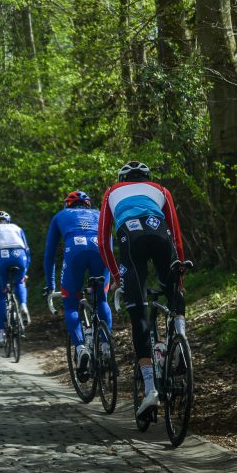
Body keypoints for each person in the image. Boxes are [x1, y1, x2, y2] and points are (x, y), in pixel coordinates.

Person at [98, 161, 187, 417]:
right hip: (160, 235)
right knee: (173, 294)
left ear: (121, 179)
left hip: (131, 239)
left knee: (140, 318)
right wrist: (179, 276)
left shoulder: (111, 192)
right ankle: (180, 339)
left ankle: (150, 390)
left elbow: (103, 243)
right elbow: (177, 236)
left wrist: (116, 276)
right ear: (147, 178)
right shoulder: (161, 189)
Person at [43, 191, 111, 378]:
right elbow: (109, 241)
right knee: (102, 299)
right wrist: (113, 272)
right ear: (88, 204)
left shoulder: (60, 215)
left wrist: (50, 285)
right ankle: (106, 347)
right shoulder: (99, 213)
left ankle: (81, 348)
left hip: (75, 249)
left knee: (70, 303)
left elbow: (49, 254)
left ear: (68, 205)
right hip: (101, 249)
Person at [0, 211, 31, 347]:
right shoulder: (17, 228)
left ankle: (1, 334)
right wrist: (25, 271)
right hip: (20, 256)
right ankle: (23, 305)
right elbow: (27, 251)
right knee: (20, 282)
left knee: (1, 295)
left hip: (2, 257)